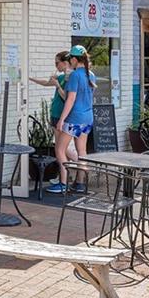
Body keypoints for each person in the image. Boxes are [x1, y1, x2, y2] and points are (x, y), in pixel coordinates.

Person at [47, 45, 94, 194]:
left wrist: (61, 119)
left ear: (74, 59)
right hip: (87, 118)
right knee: (82, 151)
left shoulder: (75, 75)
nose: (70, 62)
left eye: (70, 59)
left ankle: (62, 183)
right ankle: (79, 183)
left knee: (60, 149)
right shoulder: (90, 74)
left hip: (74, 119)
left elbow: (70, 99)